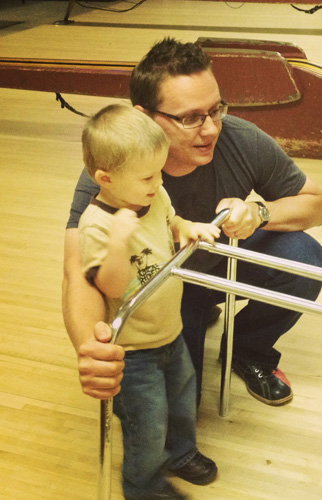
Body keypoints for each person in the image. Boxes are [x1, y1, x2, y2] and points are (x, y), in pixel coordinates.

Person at [63, 37, 322, 409]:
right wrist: (91, 349)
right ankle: (198, 312)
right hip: (164, 288)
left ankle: (248, 350)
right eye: (190, 118)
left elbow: (315, 205)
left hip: (220, 261)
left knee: (305, 260)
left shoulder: (241, 139)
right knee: (181, 409)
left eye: (215, 109)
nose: (210, 130)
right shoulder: (114, 169)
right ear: (144, 117)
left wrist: (260, 213)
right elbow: (78, 272)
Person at [78, 103, 220, 500]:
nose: (157, 182)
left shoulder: (153, 195)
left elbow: (171, 220)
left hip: (169, 332)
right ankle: (142, 488)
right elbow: (110, 286)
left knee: (181, 399)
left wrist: (188, 227)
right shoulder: (98, 224)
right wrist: (120, 240)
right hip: (133, 352)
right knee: (147, 424)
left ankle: (181, 453)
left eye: (159, 171)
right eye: (147, 175)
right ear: (105, 178)